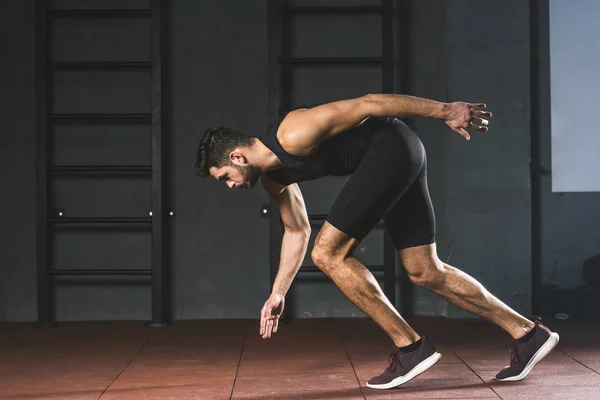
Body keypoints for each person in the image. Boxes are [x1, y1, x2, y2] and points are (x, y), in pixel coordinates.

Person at [194, 93, 559, 389]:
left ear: (237, 157)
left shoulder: (293, 133)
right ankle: (528, 334)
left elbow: (368, 104)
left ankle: (410, 347)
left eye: (225, 176)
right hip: (401, 155)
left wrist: (446, 110)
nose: (230, 185)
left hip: (391, 149)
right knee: (424, 270)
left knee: (328, 254)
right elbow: (296, 230)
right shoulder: (276, 179)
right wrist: (278, 292)